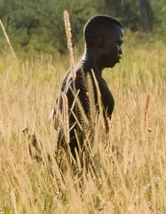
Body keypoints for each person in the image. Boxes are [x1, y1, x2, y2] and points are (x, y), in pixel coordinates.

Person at [53, 15, 123, 168]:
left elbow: (55, 120)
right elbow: (90, 137)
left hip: (69, 168)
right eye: (118, 43)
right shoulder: (86, 79)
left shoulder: (74, 73)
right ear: (101, 43)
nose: (121, 51)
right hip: (80, 172)